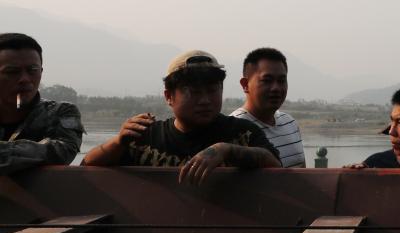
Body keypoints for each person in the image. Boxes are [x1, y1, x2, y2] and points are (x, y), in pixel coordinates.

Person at [82, 50, 281, 184]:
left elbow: (274, 164)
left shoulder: (243, 132)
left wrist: (226, 150)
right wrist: (119, 142)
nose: (205, 100)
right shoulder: (146, 137)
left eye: (212, 90)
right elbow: (86, 166)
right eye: (194, 92)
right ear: (169, 96)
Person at [0, 33, 83, 174]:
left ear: (41, 72)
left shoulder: (61, 112)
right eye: (12, 72)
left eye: (32, 70)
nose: (25, 79)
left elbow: (62, 152)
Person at [230, 47, 305, 167]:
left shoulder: (290, 123)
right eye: (267, 81)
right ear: (245, 84)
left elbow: (302, 170)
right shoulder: (234, 129)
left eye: (281, 81)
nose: (276, 88)